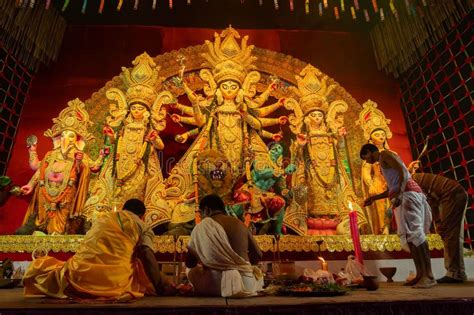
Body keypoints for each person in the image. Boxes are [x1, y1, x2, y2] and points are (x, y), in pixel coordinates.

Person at [23, 199, 172, 300]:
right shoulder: (142, 225)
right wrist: (159, 286)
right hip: (115, 283)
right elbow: (147, 255)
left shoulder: (103, 218)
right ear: (142, 215)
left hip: (78, 275)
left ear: (122, 209)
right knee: (138, 262)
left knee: (50, 269)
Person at [360, 144, 435, 288]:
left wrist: (400, 192)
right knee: (410, 237)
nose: (367, 162)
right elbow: (392, 186)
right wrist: (374, 198)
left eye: (366, 158)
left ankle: (429, 276)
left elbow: (403, 172)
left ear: (369, 151)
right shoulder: (382, 161)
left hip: (407, 194)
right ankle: (420, 275)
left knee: (416, 234)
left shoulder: (385, 155)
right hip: (402, 195)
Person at [185, 194, 264, 297]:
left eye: (201, 213)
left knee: (190, 271)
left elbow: (190, 263)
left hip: (217, 285)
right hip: (246, 285)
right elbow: (258, 255)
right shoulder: (240, 224)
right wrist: (240, 265)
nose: (201, 217)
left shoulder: (202, 226)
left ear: (207, 210)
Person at [410, 171, 468, 283]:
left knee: (449, 233)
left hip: (452, 194)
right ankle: (458, 272)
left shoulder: (411, 182)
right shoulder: (412, 180)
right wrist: (438, 222)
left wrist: (438, 222)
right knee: (451, 233)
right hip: (453, 194)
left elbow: (430, 202)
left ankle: (454, 273)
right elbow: (432, 200)